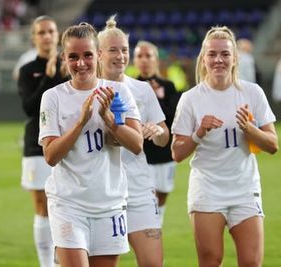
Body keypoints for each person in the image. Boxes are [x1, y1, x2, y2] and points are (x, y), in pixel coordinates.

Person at [171, 26, 278, 267]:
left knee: (251, 262)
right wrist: (199, 132)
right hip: (207, 190)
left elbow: (272, 145)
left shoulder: (252, 93)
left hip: (244, 189)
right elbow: (177, 153)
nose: (218, 59)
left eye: (225, 54)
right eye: (212, 54)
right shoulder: (191, 98)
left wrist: (250, 129)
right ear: (204, 58)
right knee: (211, 261)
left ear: (234, 58)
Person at [39, 22, 143, 267]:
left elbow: (137, 144)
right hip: (68, 204)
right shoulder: (53, 97)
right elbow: (51, 156)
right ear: (64, 58)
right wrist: (81, 122)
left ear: (98, 54)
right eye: (73, 57)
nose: (81, 63)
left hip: (109, 203)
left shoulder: (118, 92)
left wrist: (110, 121)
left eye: (87, 55)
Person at [97, 16, 168, 267]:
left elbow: (163, 137)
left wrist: (156, 132)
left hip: (138, 188)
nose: (120, 56)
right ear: (99, 54)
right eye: (113, 50)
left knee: (153, 263)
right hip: (100, 191)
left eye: (124, 50)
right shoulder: (86, 90)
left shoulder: (142, 89)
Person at [17, 15, 68, 267]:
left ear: (57, 35)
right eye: (41, 32)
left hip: (67, 145)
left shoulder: (70, 65)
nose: (47, 36)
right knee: (42, 205)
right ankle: (47, 264)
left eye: (50, 31)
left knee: (66, 205)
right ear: (34, 37)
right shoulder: (28, 70)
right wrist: (47, 78)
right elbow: (29, 109)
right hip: (36, 145)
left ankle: (64, 260)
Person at [133, 40, 180, 226]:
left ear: (156, 59)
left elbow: (172, 118)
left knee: (162, 195)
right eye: (139, 56)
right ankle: (149, 232)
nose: (144, 60)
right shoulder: (131, 86)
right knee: (146, 197)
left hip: (165, 152)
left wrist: (154, 98)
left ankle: (156, 228)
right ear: (134, 60)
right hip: (142, 153)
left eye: (148, 55)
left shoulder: (167, 86)